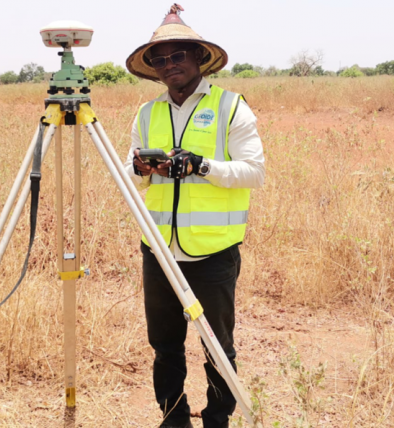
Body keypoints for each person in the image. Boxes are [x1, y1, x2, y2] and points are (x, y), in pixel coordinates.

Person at [124, 5, 265, 428]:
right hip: (160, 252)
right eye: (160, 60)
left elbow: (254, 172)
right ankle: (173, 418)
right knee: (165, 345)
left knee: (217, 346)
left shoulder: (231, 107)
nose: (169, 66)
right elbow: (130, 174)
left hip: (213, 253)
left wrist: (202, 166)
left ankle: (218, 419)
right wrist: (141, 168)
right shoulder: (147, 114)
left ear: (198, 57)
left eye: (177, 56)